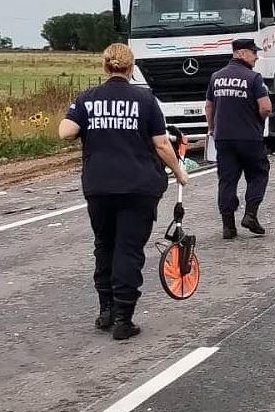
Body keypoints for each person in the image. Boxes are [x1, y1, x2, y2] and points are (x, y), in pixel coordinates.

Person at [59, 43, 188, 341]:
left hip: (99, 185)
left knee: (104, 245)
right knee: (128, 250)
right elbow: (161, 144)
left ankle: (105, 310)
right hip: (138, 186)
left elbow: (65, 132)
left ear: (105, 67)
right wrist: (179, 173)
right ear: (131, 68)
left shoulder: (88, 98)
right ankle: (123, 318)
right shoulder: (144, 99)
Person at [205, 38, 273, 239]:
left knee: (227, 180)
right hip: (249, 137)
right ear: (242, 53)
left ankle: (228, 227)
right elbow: (266, 107)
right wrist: (258, 120)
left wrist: (212, 128)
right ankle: (250, 214)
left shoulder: (216, 77)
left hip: (223, 138)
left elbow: (209, 106)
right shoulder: (253, 78)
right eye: (253, 53)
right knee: (259, 173)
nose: (256, 57)